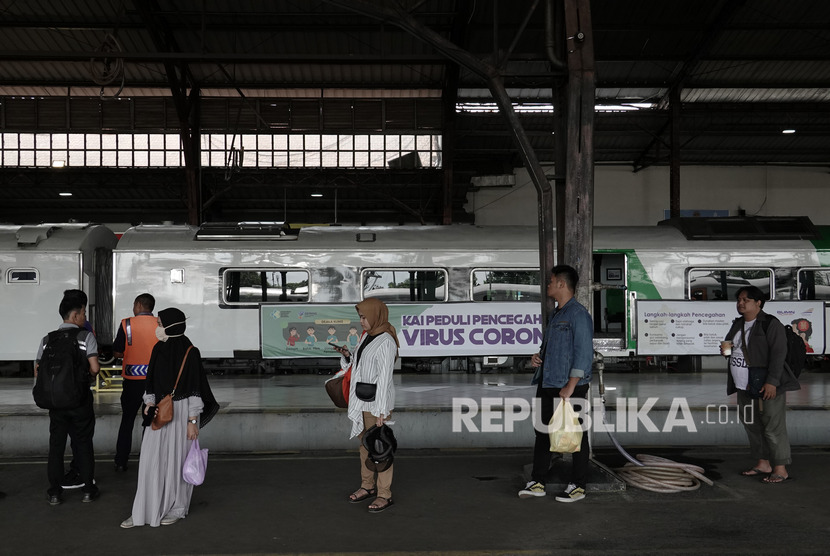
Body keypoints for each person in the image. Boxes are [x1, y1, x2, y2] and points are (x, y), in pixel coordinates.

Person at [120, 308, 219, 528]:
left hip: (182, 411)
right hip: (160, 411)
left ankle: (177, 507)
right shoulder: (158, 348)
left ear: (171, 326)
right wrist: (149, 402)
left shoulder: (190, 351)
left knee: (178, 462)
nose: (158, 327)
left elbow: (195, 388)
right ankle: (144, 511)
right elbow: (151, 380)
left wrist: (193, 421)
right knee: (151, 460)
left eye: (160, 323)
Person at [519, 265, 593, 503]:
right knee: (542, 432)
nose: (548, 285)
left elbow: (583, 354)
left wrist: (571, 386)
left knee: (576, 434)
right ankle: (538, 482)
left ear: (562, 284)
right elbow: (553, 348)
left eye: (551, 281)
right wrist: (538, 356)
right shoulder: (556, 315)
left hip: (570, 387)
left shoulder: (578, 314)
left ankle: (578, 486)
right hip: (549, 381)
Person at [722, 286, 800, 484]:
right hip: (744, 386)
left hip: (766, 385)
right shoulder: (738, 324)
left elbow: (778, 354)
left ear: (758, 303)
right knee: (752, 426)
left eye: (745, 300)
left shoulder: (770, 324)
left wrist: (772, 382)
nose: (740, 303)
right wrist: (726, 352)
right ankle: (763, 463)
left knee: (772, 428)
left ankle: (780, 468)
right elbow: (734, 349)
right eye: (739, 299)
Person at [332, 298, 398, 513]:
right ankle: (367, 487)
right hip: (360, 400)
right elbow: (359, 367)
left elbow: (385, 378)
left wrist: (381, 412)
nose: (361, 321)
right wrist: (348, 356)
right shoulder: (366, 338)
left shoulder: (386, 341)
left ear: (375, 315)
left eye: (363, 317)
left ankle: (384, 495)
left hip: (375, 404)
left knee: (380, 449)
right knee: (365, 447)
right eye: (360, 317)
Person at [35, 289, 101, 504]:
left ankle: (54, 492)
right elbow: (95, 368)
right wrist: (86, 377)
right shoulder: (85, 336)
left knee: (56, 445)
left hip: (56, 403)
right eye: (83, 313)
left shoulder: (47, 339)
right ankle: (89, 490)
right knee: (82, 443)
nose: (85, 317)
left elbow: (38, 369)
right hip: (79, 400)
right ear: (75, 315)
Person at [112, 293, 158, 472]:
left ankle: (121, 461)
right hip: (153, 381)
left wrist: (128, 353)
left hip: (132, 380)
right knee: (150, 420)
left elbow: (117, 352)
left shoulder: (126, 323)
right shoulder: (159, 324)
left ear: (139, 305)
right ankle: (148, 460)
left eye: (134, 304)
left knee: (127, 420)